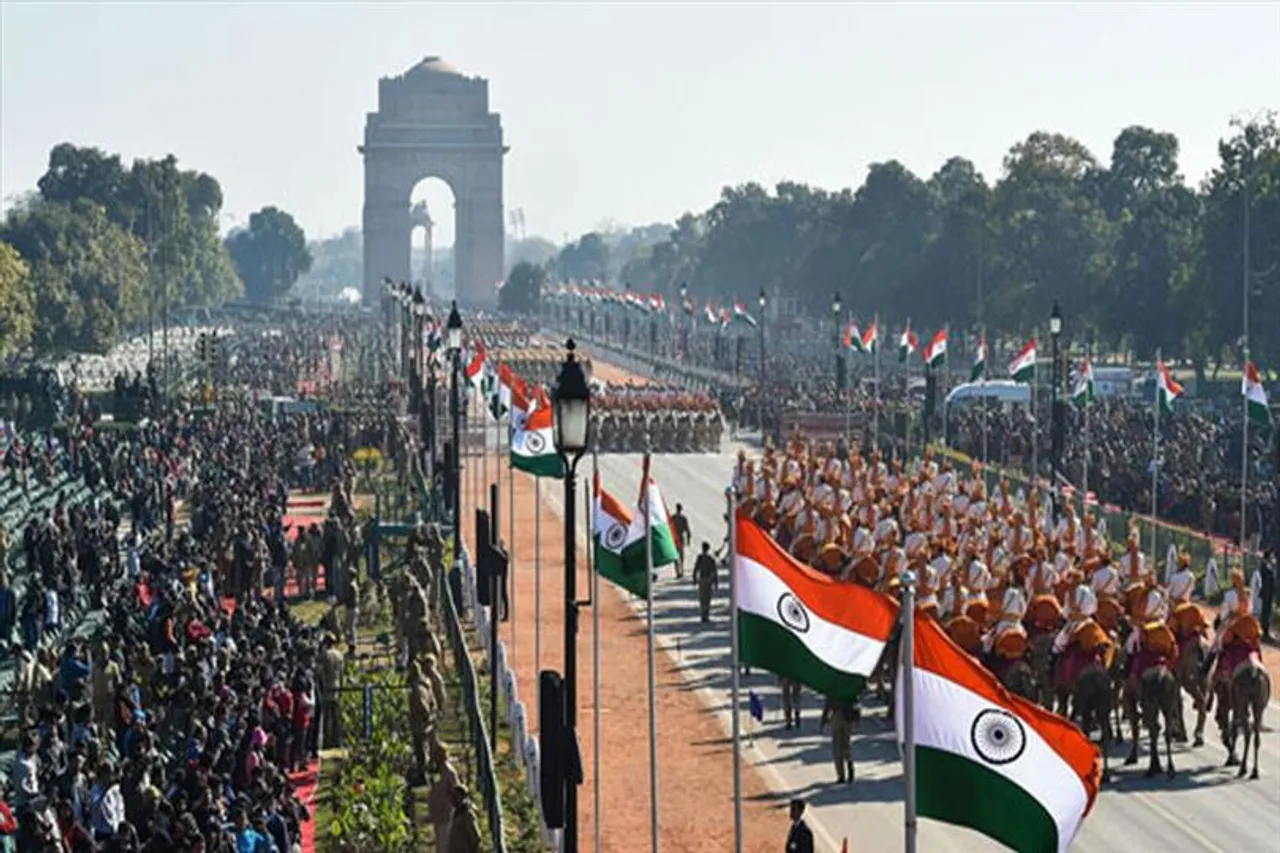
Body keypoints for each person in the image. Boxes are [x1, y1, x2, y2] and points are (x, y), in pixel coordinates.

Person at [693, 542, 717, 624]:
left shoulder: (700, 558)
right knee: (707, 598)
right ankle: (706, 615)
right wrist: (716, 583)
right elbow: (715, 571)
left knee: (702, 598)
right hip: (709, 580)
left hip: (702, 580)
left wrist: (694, 579)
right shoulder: (711, 559)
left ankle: (703, 615)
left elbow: (696, 568)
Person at [670, 503, 691, 579]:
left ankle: (677, 571)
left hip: (675, 538)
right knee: (681, 556)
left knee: (675, 556)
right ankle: (681, 570)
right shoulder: (683, 518)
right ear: (681, 509)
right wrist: (688, 540)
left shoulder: (673, 517)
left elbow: (670, 529)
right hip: (681, 538)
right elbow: (688, 530)